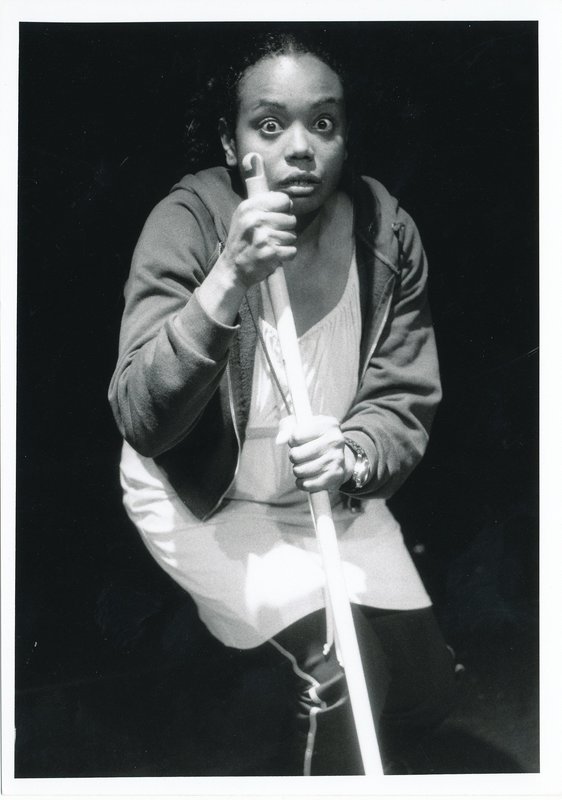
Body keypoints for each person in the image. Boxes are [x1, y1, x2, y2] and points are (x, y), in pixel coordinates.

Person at [108, 30, 456, 776]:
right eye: (269, 125)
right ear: (231, 143)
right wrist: (228, 277)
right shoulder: (190, 223)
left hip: (325, 494)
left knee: (423, 692)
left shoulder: (387, 232)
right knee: (344, 676)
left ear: (346, 135)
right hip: (204, 501)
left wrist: (354, 454)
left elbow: (401, 395)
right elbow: (142, 417)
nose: (300, 147)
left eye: (323, 122)